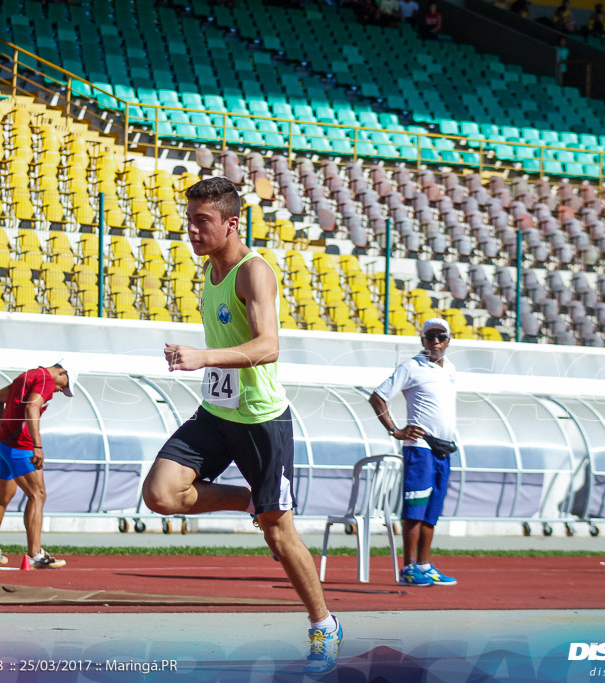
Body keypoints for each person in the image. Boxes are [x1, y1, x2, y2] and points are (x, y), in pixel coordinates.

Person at [141, 177, 342, 675]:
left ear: (232, 223)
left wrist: (202, 357)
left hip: (259, 420)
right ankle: (249, 498)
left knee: (279, 533)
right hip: (216, 412)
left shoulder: (255, 274)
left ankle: (324, 624)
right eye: (189, 220)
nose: (191, 230)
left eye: (201, 222)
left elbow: (268, 347)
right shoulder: (210, 271)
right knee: (162, 495)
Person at [368, 318, 458, 588]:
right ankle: (408, 567)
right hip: (420, 447)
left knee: (432, 508)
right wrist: (395, 430)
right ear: (422, 340)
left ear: (448, 341)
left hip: (444, 447)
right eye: (430, 337)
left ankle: (424, 565)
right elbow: (377, 396)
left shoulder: (450, 368)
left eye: (441, 337)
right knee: (415, 506)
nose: (435, 342)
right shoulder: (411, 366)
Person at [0, 363, 73, 569]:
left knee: (3, 498)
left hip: (1, 443)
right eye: (64, 386)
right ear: (62, 372)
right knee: (37, 495)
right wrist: (37, 446)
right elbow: (32, 406)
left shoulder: (28, 375)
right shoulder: (46, 380)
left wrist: (5, 427)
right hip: (19, 448)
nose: (60, 391)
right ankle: (35, 554)